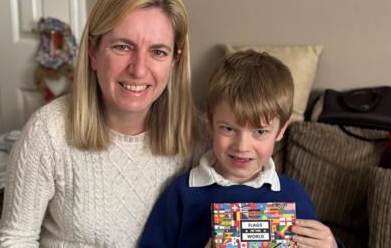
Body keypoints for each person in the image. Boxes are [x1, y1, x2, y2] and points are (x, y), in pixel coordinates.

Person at [0, 0, 204, 247]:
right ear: (93, 52)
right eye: (123, 47)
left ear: (175, 61)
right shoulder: (48, 131)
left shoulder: (201, 138)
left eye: (158, 52)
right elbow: (15, 238)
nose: (139, 69)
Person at [139, 49, 343, 248]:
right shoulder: (181, 194)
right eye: (229, 129)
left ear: (281, 130)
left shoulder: (294, 195)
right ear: (210, 123)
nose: (242, 146)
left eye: (260, 132)